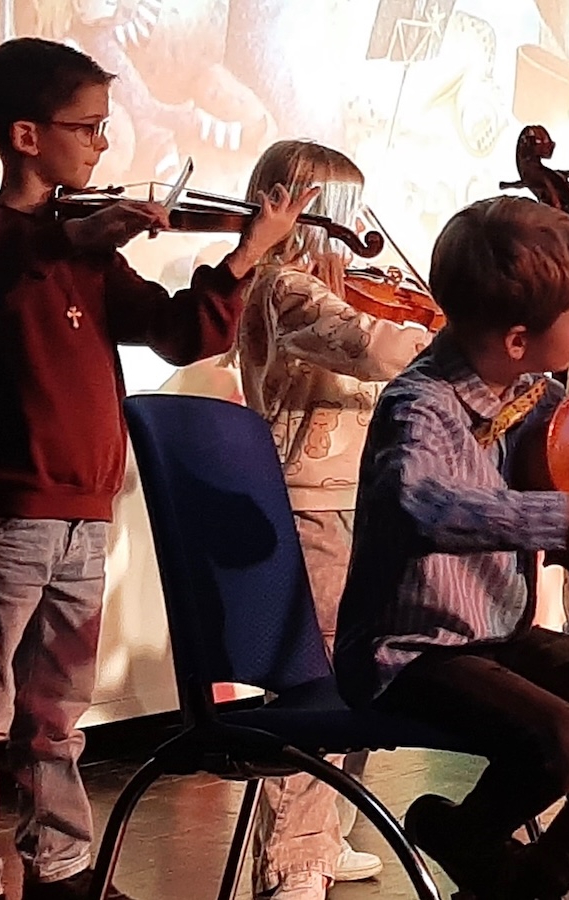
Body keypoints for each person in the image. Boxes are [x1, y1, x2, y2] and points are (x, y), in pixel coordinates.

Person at [0, 37, 307, 900]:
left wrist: (244, 255)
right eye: (87, 128)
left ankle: (60, 869)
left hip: (86, 511)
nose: (103, 145)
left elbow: (179, 332)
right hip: (14, 510)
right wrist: (70, 233)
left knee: (57, 714)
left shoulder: (88, 253)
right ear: (26, 135)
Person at [332, 196, 569, 900]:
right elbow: (423, 505)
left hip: (495, 640)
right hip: (411, 653)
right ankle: (469, 840)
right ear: (517, 337)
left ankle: (519, 876)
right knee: (568, 744)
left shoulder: (527, 392)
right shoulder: (419, 405)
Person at [234, 139, 436, 899]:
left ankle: (328, 829)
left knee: (357, 671)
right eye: (347, 217)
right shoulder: (280, 285)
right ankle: (292, 860)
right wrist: (447, 334)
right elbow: (374, 347)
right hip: (309, 500)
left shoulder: (324, 287)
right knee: (313, 681)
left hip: (355, 501)